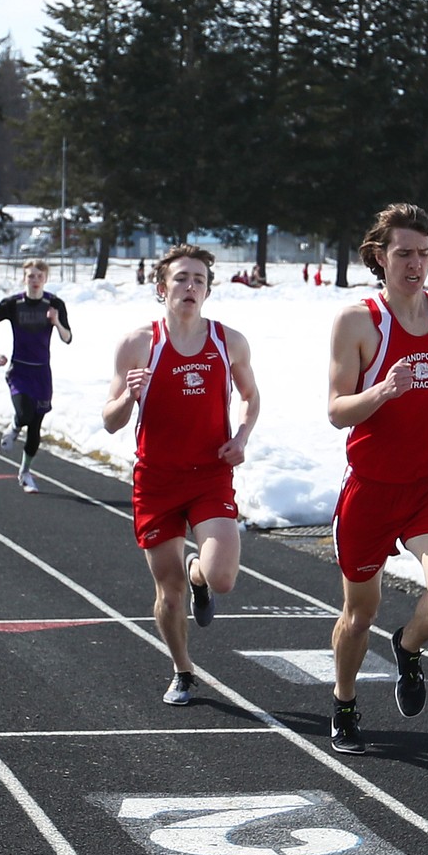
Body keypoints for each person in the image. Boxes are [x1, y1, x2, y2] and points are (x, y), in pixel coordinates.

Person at [326, 203, 428, 754]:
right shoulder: (359, 321)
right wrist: (383, 390)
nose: (416, 264)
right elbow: (338, 410)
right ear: (380, 258)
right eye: (404, 253)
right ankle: (343, 701)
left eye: (424, 253)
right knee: (359, 613)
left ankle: (409, 648)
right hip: (370, 490)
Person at [102, 244, 260, 707]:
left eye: (199, 280)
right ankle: (183, 670)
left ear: (208, 291)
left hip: (210, 474)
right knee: (167, 594)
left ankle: (200, 575)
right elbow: (109, 421)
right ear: (161, 287)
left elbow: (251, 397)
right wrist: (129, 397)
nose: (190, 287)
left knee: (223, 578)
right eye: (181, 279)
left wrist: (243, 436)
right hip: (156, 481)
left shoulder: (228, 341)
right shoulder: (137, 344)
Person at [0, 259, 72, 493]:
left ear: (45, 278)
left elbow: (68, 337)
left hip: (42, 371)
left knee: (35, 426)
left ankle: (25, 472)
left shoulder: (54, 304)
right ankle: (13, 427)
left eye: (39, 276)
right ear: (24, 278)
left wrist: (55, 322)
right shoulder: (13, 304)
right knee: (24, 414)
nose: (34, 280)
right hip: (19, 369)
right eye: (30, 276)